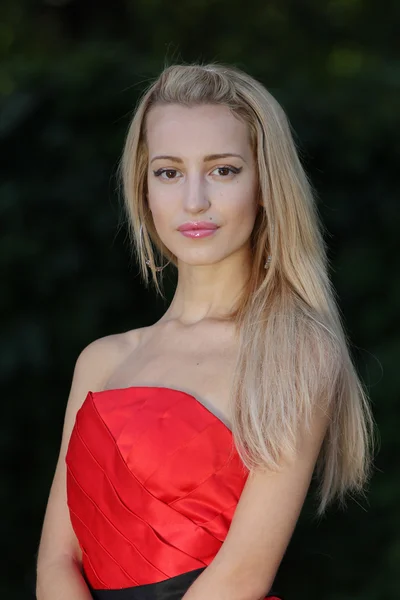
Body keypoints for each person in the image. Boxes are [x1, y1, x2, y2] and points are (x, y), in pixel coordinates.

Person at [36, 63, 375, 600]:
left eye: (223, 170)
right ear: (144, 188)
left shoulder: (297, 354)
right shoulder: (99, 361)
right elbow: (57, 559)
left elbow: (241, 577)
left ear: (265, 185)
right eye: (169, 172)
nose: (194, 201)